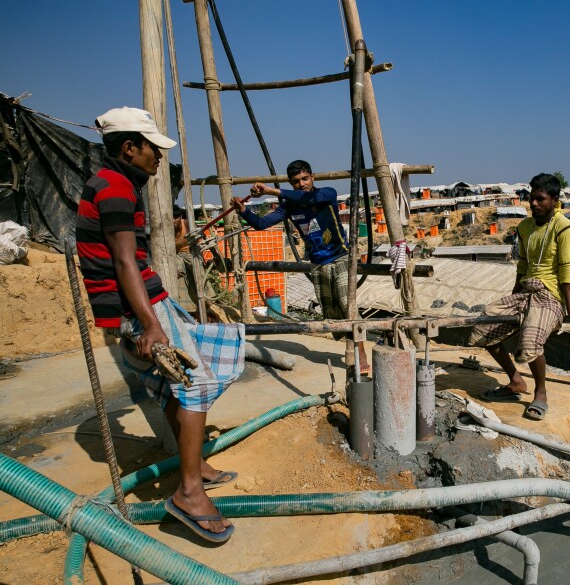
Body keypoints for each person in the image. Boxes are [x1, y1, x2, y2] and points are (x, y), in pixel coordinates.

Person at [76, 107, 244, 543]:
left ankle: (195, 467)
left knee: (176, 385)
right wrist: (151, 324)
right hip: (139, 307)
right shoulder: (115, 188)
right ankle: (189, 493)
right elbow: (124, 260)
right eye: (153, 149)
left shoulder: (112, 183)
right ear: (129, 147)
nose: (158, 159)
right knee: (197, 383)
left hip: (139, 303)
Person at [469, 173, 570, 420]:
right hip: (525, 293)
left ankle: (541, 393)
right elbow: (522, 266)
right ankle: (516, 381)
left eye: (540, 199)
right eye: (531, 198)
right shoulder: (524, 227)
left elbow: (567, 269)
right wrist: (514, 298)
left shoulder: (566, 228)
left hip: (550, 297)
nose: (533, 204)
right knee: (484, 329)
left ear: (554, 200)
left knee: (530, 344)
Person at [231, 160, 369, 373]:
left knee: (346, 304)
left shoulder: (326, 194)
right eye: (296, 182)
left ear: (312, 177)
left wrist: (270, 190)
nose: (302, 184)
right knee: (331, 312)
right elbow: (261, 224)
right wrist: (243, 211)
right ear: (291, 183)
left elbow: (309, 197)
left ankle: (361, 353)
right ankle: (348, 347)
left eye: (305, 179)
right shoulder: (290, 206)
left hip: (341, 257)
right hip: (318, 263)